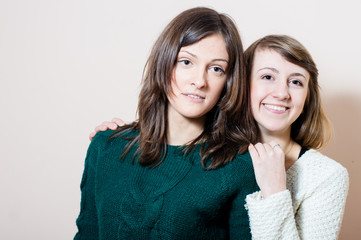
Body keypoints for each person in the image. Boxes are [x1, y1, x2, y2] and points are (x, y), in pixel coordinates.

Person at [92, 35, 349, 239]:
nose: (282, 93)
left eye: (296, 82)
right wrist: (119, 136)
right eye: (268, 77)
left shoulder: (326, 176)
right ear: (239, 85)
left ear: (307, 97)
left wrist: (275, 192)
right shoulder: (214, 157)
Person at [74, 7, 259, 240]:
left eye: (216, 69)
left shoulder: (238, 166)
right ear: (164, 62)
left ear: (228, 82)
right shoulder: (104, 146)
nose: (199, 81)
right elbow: (87, 234)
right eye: (186, 62)